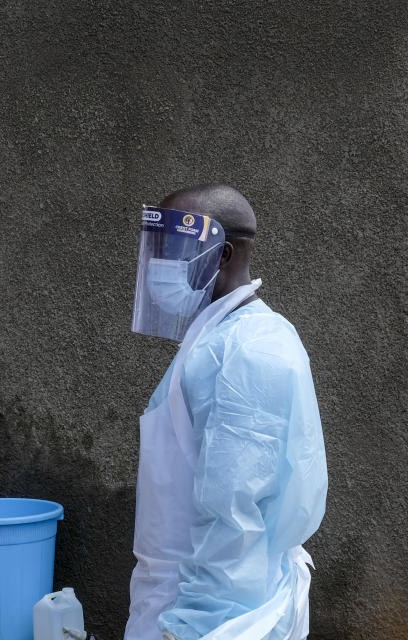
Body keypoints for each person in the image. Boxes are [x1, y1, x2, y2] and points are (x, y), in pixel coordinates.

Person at [126, 184, 328, 640]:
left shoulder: (247, 353)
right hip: (176, 603)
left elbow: (233, 517)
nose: (161, 265)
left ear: (223, 255)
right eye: (157, 250)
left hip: (216, 619)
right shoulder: (218, 341)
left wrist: (194, 627)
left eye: (174, 250)